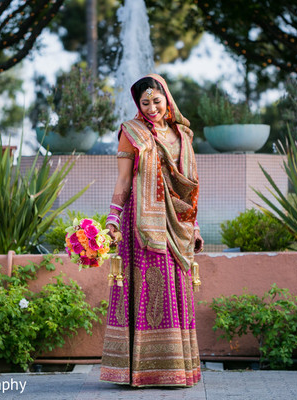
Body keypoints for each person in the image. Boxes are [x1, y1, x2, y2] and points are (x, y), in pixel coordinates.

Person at [99, 74, 203, 387]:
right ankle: (141, 371)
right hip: (142, 224)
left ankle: (175, 368)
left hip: (178, 223)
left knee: (174, 288)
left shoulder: (182, 135)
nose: (152, 107)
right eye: (145, 102)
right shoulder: (132, 133)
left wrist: (194, 225)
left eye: (156, 100)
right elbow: (123, 181)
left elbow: (190, 188)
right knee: (147, 289)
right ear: (138, 104)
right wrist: (113, 220)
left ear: (166, 98)